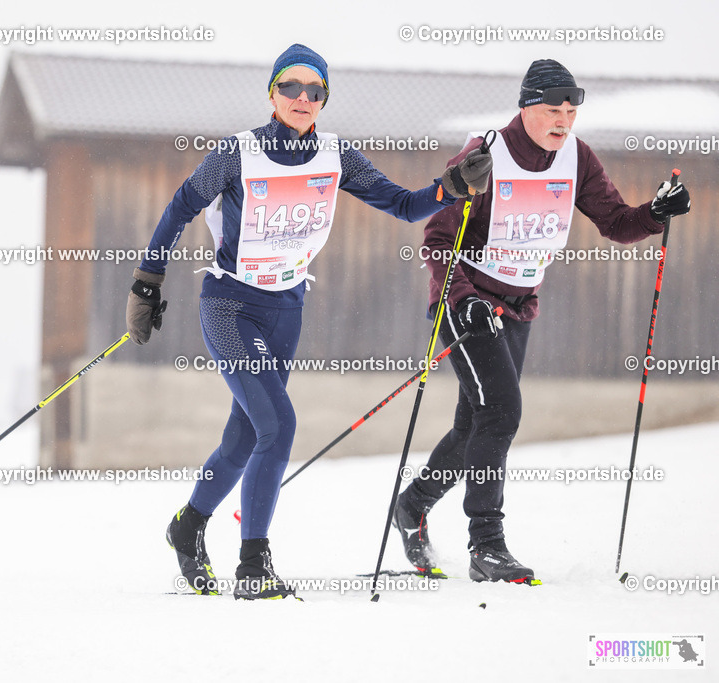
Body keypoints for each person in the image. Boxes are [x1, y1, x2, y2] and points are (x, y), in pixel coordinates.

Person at [125, 44, 493, 599]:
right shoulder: (238, 154)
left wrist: (452, 187)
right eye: (291, 87)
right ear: (272, 94)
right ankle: (254, 564)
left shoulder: (336, 156)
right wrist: (147, 282)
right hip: (229, 304)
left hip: (286, 309)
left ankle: (188, 526)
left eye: (314, 90)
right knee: (279, 426)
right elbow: (181, 205)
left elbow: (403, 204)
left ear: (324, 99)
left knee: (246, 435)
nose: (302, 98)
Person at [393, 59, 691, 584]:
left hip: (517, 308)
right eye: (553, 109)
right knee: (502, 412)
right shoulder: (485, 155)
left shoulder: (575, 157)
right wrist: (462, 298)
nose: (563, 120)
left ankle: (412, 505)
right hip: (467, 306)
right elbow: (438, 241)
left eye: (571, 111)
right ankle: (487, 544)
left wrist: (656, 213)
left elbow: (616, 222)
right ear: (526, 108)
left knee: (476, 424)